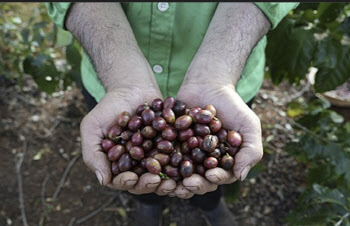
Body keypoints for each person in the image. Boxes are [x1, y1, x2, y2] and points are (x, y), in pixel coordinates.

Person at [46, 2, 299, 226]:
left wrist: (219, 73)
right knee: (137, 177)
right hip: (112, 85)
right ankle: (147, 204)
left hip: (227, 83)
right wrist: (121, 77)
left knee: (206, 179)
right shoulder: (142, 126)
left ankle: (210, 205)